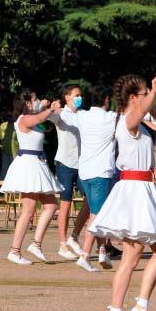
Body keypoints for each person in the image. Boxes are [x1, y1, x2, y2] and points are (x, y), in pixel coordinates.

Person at [81, 75, 156, 311]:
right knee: (132, 256)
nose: (147, 97)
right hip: (133, 191)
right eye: (143, 93)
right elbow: (142, 110)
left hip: (145, 189)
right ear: (133, 98)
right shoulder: (128, 121)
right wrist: (154, 90)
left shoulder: (140, 122)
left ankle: (138, 308)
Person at [54, 84, 119, 272]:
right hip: (100, 173)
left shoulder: (83, 116)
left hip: (85, 171)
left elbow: (66, 114)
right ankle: (84, 255)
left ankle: (102, 251)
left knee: (94, 211)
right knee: (96, 215)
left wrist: (54, 107)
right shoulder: (111, 118)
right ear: (107, 100)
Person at [0, 91, 63, 264]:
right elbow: (40, 118)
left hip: (37, 164)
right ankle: (15, 251)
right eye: (34, 100)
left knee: (51, 205)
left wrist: (43, 107)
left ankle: (35, 244)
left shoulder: (32, 117)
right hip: (28, 166)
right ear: (27, 103)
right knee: (28, 211)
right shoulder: (24, 119)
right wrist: (49, 108)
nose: (37, 101)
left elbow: (39, 116)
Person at [48, 84, 92, 260]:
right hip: (65, 164)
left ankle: (74, 236)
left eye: (81, 95)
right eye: (76, 95)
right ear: (67, 97)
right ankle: (62, 245)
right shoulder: (62, 114)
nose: (80, 97)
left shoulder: (83, 115)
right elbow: (50, 118)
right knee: (65, 203)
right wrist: (52, 109)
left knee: (90, 200)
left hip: (82, 165)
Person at [0, 114, 18, 180]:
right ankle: (1, 187)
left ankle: (14, 188)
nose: (9, 117)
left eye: (10, 116)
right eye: (8, 116)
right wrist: (0, 146)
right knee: (4, 170)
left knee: (15, 170)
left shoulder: (17, 125)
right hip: (5, 152)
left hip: (15, 153)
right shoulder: (3, 125)